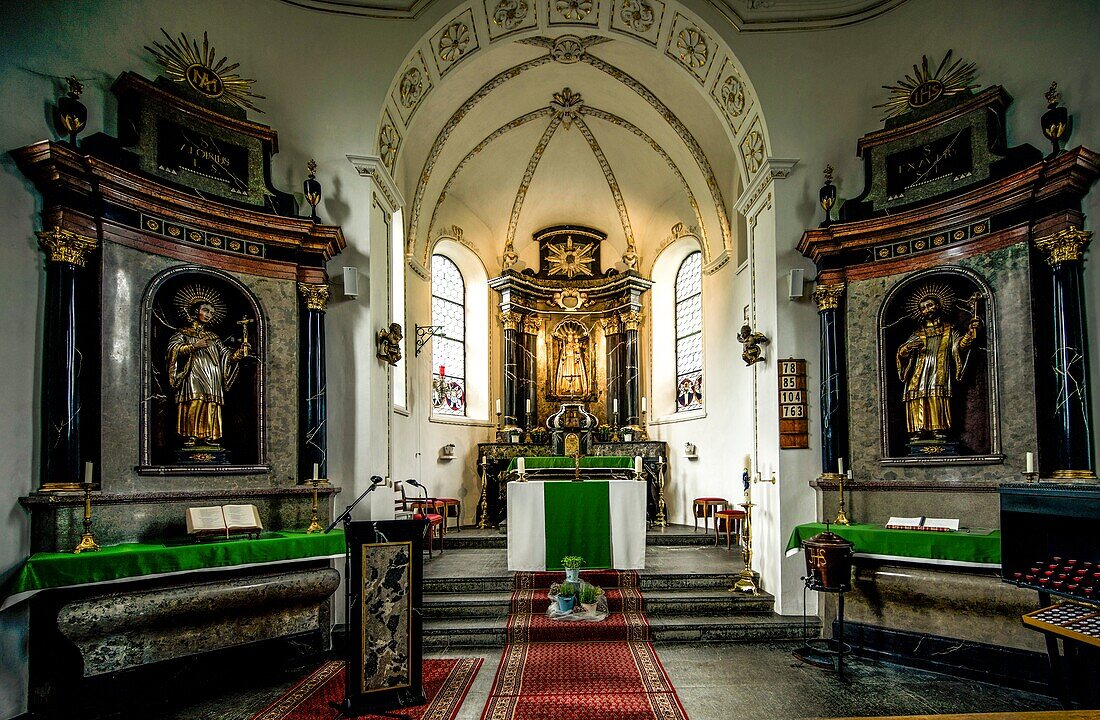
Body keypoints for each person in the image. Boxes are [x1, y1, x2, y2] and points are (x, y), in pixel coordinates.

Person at [896, 290, 981, 441]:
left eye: (930, 305)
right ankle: (918, 428)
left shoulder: (949, 330)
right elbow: (902, 352)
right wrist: (908, 348)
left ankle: (938, 428)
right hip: (919, 370)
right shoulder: (918, 332)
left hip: (938, 368)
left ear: (938, 305)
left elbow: (959, 346)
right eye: (923, 308)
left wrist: (969, 333)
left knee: (937, 395)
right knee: (917, 396)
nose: (927, 310)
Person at [167, 294, 248, 448]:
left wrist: (239, 353)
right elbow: (173, 350)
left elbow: (227, 357)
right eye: (205, 310)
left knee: (211, 404)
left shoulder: (214, 337)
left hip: (213, 375)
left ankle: (209, 436)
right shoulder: (183, 333)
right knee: (195, 401)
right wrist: (193, 346)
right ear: (195, 311)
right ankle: (192, 435)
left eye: (211, 312)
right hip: (193, 372)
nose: (208, 315)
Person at [554, 327, 590, 396]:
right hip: (567, 363)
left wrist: (577, 353)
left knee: (575, 373)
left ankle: (576, 388)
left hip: (574, 363)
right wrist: (563, 357)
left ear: (573, 338)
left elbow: (579, 355)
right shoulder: (565, 347)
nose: (569, 339)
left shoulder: (575, 346)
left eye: (571, 337)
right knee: (566, 374)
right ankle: (566, 388)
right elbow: (562, 357)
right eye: (568, 338)